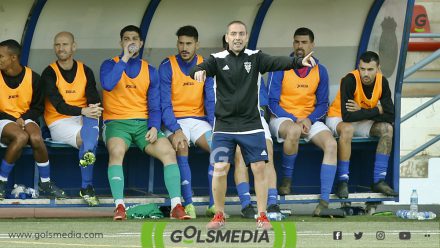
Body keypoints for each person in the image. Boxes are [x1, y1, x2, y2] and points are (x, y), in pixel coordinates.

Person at [191, 20, 315, 230]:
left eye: (241, 34)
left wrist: (298, 62)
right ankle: (219, 215)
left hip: (252, 124)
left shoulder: (256, 57)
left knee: (259, 167)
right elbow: (197, 67)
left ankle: (263, 216)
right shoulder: (216, 59)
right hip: (224, 126)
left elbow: (278, 62)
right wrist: (198, 72)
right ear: (227, 38)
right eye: (233, 34)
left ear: (246, 37)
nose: (237, 37)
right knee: (220, 168)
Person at [100, 25, 190, 221]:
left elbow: (155, 106)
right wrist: (124, 58)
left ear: (141, 43)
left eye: (134, 39)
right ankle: (120, 206)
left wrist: (154, 127)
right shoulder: (109, 64)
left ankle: (176, 205)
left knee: (168, 152)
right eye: (126, 39)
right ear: (121, 43)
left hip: (143, 125)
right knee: (116, 152)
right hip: (116, 123)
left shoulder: (150, 70)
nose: (131, 42)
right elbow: (108, 84)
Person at [267, 27, 337, 216]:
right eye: (297, 42)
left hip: (309, 119)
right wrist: (295, 119)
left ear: (312, 45)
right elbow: (271, 104)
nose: (300, 46)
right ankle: (286, 181)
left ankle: (324, 201)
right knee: (294, 131)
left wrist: (309, 118)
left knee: (331, 144)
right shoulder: (280, 67)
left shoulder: (321, 71)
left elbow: (323, 104)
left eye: (304, 42)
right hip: (282, 118)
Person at [159, 25, 214, 219]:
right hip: (174, 121)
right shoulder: (167, 66)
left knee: (220, 149)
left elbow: (210, 100)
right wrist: (175, 129)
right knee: (182, 145)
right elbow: (164, 104)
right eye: (181, 43)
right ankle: (188, 204)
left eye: (189, 43)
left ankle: (213, 205)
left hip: (198, 120)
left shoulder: (205, 65)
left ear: (197, 45)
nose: (184, 47)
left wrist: (217, 126)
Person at [326, 51, 397, 198]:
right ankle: (342, 181)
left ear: (378, 68)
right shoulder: (350, 80)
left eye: (370, 69)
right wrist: (377, 109)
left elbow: (390, 115)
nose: (365, 73)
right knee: (347, 129)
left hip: (361, 120)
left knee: (387, 128)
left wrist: (363, 111)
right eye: (362, 68)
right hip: (337, 118)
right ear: (359, 66)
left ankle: (379, 180)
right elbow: (347, 116)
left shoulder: (382, 81)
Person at [42, 32, 102, 206]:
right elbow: (59, 105)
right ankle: (87, 186)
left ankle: (86, 185)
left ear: (73, 47)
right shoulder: (49, 72)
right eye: (57, 45)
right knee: (88, 139)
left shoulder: (85, 70)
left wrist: (91, 109)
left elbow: (93, 99)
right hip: (59, 120)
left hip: (83, 118)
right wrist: (84, 111)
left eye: (65, 44)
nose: (61, 48)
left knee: (94, 113)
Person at [0, 39, 65, 199]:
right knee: (21, 137)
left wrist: (23, 118)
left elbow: (38, 107)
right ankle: (1, 182)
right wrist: (14, 119)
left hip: (25, 118)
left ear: (13, 57)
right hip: (3, 119)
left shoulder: (34, 78)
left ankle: (45, 183)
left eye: (1, 56)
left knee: (36, 137)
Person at [233, 79, 281, 218]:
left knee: (267, 153)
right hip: (233, 120)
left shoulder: (255, 69)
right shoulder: (224, 67)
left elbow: (263, 103)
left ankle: (272, 202)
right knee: (239, 154)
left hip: (256, 118)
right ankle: (246, 204)